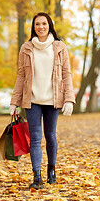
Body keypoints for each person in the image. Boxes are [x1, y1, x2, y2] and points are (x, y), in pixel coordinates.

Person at [9, 12, 75, 189]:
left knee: (50, 136)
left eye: (44, 24)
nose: (41, 27)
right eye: (37, 24)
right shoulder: (26, 48)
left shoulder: (60, 47)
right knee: (35, 138)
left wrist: (69, 99)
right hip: (32, 100)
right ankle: (36, 176)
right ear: (34, 27)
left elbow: (66, 74)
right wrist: (14, 102)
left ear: (49, 25)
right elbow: (21, 76)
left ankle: (51, 170)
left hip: (53, 100)